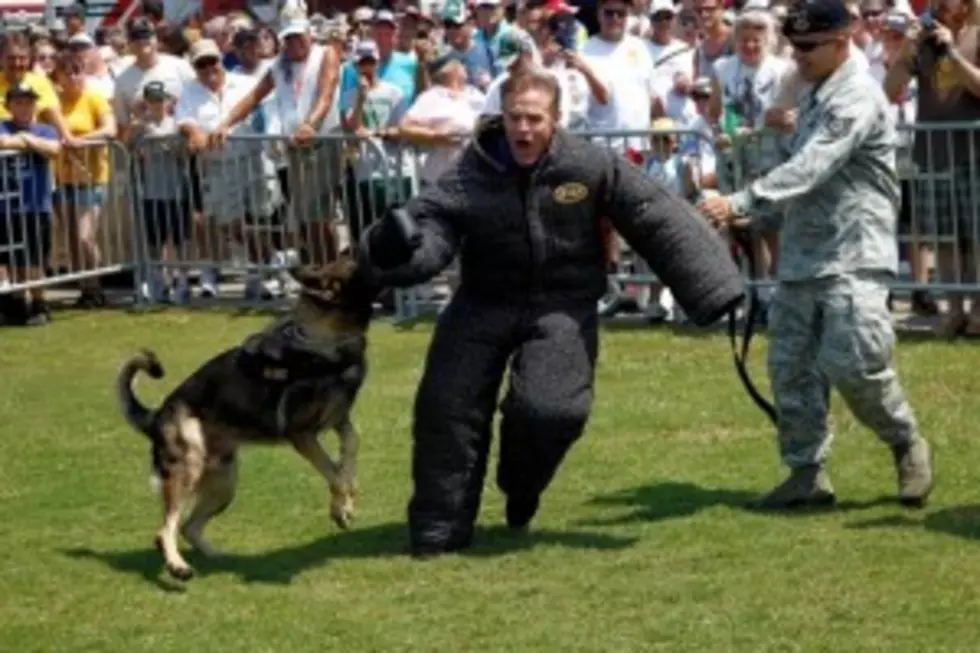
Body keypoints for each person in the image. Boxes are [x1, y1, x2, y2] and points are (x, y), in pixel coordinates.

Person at [360, 69, 746, 558]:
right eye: (515, 117)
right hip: (482, 301)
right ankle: (439, 529)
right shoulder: (468, 173)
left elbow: (653, 214)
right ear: (500, 116)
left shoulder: (588, 165)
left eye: (534, 119)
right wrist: (397, 250)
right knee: (446, 408)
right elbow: (431, 229)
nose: (523, 129)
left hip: (562, 303)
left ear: (556, 120)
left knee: (552, 409)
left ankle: (521, 488)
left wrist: (715, 288)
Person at [697, 0, 933, 510]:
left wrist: (738, 201)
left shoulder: (857, 97)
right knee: (792, 369)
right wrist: (772, 136)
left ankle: (904, 440)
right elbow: (791, 164)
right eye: (794, 45)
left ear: (842, 41)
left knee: (855, 361)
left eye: (807, 47)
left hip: (853, 251)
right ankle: (806, 472)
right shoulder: (813, 93)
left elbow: (814, 166)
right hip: (805, 254)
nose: (796, 55)